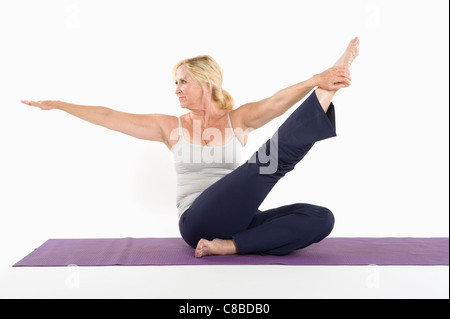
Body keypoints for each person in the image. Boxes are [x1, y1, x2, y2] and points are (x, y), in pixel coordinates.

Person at [21, 37, 359, 258]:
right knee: (269, 162)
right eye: (176, 83)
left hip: (236, 222)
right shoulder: (169, 127)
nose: (177, 89)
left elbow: (278, 100)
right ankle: (331, 90)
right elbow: (109, 116)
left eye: (183, 81)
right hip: (196, 220)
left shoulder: (236, 120)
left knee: (320, 218)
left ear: (205, 83)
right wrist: (62, 105)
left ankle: (230, 247)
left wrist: (314, 78)